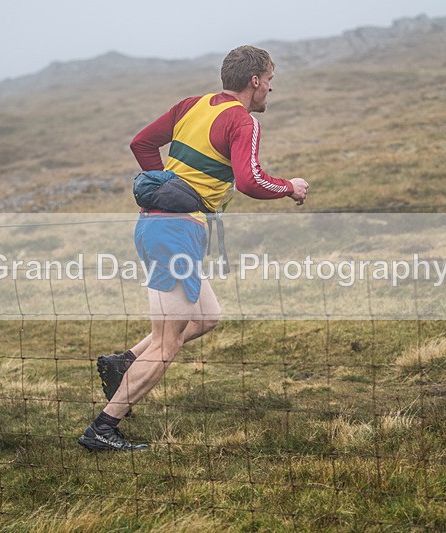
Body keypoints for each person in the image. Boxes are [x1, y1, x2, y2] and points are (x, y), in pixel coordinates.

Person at [78, 45, 309, 451]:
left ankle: (125, 362)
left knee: (206, 317)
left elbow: (141, 144)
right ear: (254, 81)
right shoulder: (243, 121)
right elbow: (250, 181)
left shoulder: (193, 105)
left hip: (160, 226)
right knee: (167, 344)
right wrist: (290, 187)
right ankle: (103, 428)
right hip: (174, 233)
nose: (271, 90)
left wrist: (167, 187)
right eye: (270, 81)